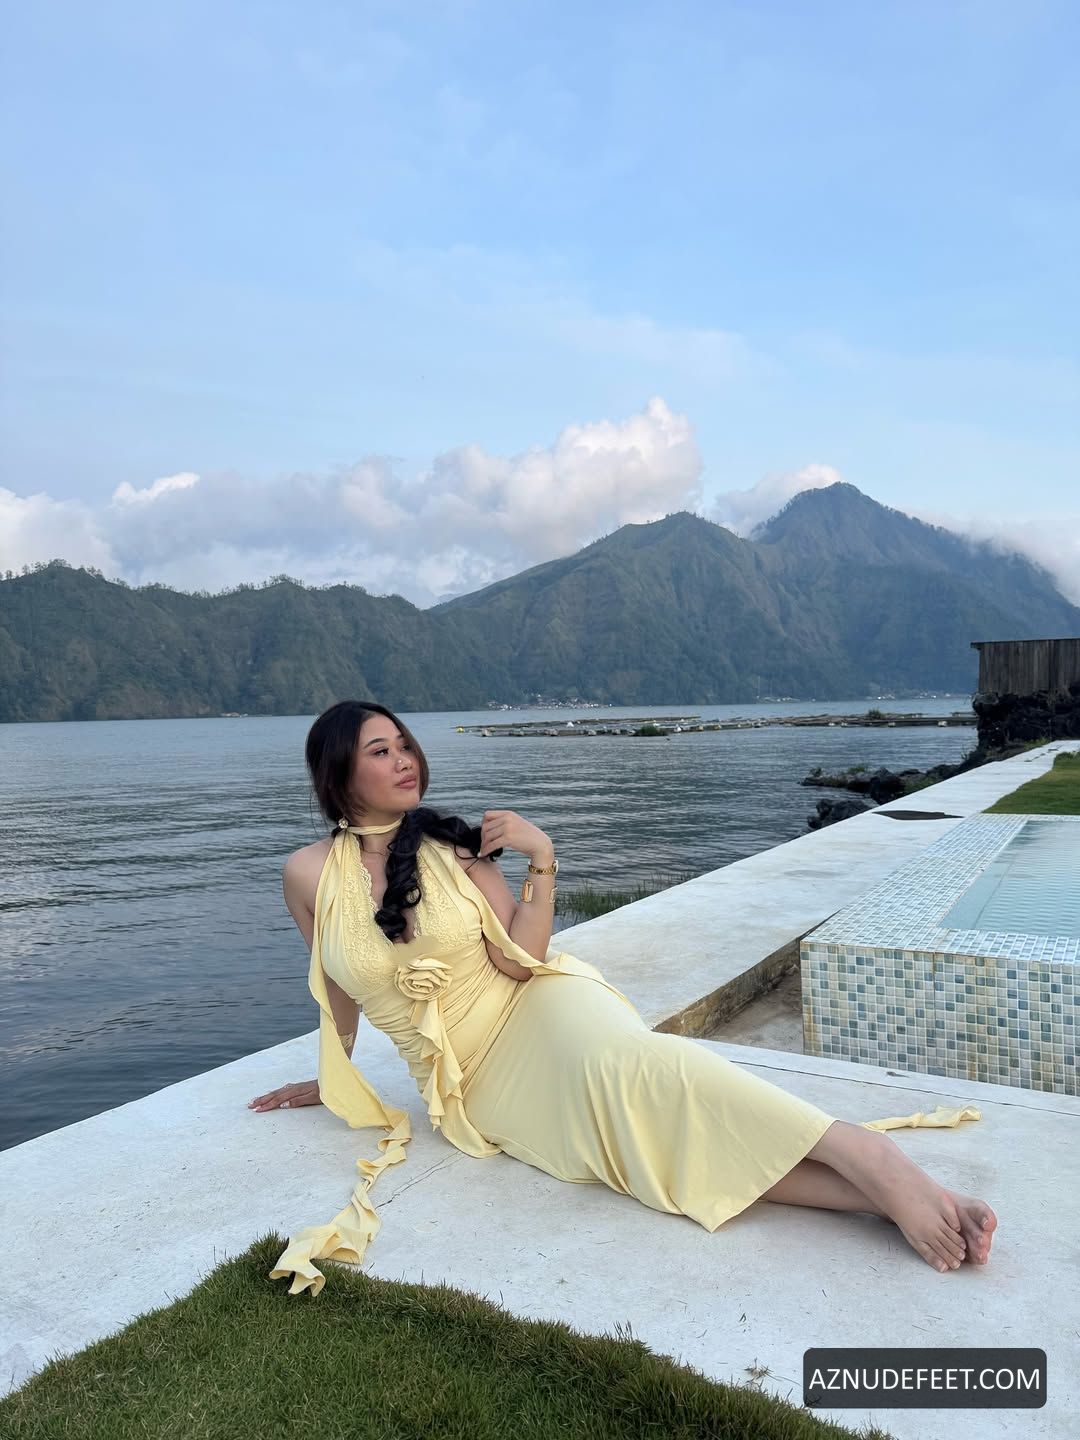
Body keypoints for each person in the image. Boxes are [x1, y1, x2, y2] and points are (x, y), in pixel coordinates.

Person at [251, 700, 997, 1297]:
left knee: (636, 1068)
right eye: (381, 750)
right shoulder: (306, 876)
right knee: (630, 1151)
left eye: (405, 745)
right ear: (338, 772)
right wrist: (333, 1072)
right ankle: (878, 1194)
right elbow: (334, 984)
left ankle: (868, 1152)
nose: (405, 759)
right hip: (471, 1083)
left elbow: (520, 962)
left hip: (536, 1008)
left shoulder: (454, 845)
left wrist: (542, 858)